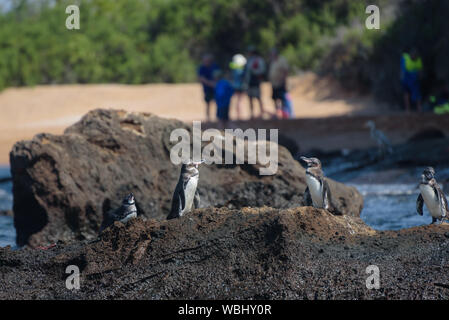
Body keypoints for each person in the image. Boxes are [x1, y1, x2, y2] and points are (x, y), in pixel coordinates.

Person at [244, 46, 266, 119]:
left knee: (258, 97)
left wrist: (253, 71)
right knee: (250, 98)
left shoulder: (258, 60)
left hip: (256, 82)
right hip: (250, 82)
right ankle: (252, 114)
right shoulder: (248, 60)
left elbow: (261, 71)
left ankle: (261, 113)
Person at [400, 48, 423, 112]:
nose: (414, 56)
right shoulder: (405, 58)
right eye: (413, 55)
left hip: (414, 78)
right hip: (406, 78)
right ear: (410, 54)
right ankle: (407, 109)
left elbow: (420, 70)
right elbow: (402, 70)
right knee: (406, 93)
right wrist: (402, 79)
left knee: (417, 93)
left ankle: (419, 108)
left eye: (415, 55)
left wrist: (420, 78)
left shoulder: (418, 60)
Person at [198, 54, 219, 121]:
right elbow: (201, 78)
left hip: (215, 88)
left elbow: (218, 76)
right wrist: (210, 83)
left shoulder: (214, 66)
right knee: (208, 103)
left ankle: (217, 117)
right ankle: (208, 118)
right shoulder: (202, 68)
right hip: (207, 89)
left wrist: (214, 83)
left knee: (217, 103)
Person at [268, 48, 289, 117]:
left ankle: (284, 113)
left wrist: (284, 81)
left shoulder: (281, 60)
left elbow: (286, 71)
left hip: (281, 83)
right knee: (275, 98)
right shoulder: (273, 61)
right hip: (274, 84)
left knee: (282, 99)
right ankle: (278, 113)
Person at [229, 54, 247, 120]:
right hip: (240, 86)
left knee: (237, 101)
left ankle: (238, 115)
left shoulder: (234, 68)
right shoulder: (240, 69)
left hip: (235, 86)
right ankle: (239, 115)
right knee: (240, 101)